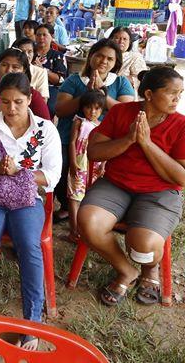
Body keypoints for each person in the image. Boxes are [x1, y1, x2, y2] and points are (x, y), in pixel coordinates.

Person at [0, 73, 62, 345]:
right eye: (5, 102)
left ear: (29, 99)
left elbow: (53, 175)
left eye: (18, 102)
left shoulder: (45, 129)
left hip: (27, 199)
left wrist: (19, 172)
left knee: (29, 245)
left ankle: (32, 324)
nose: (11, 108)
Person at [80, 67, 185, 307]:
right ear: (149, 94)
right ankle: (126, 270)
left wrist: (146, 144)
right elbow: (94, 152)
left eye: (180, 94)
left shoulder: (181, 125)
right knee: (89, 223)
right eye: (172, 93)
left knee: (143, 246)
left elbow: (181, 177)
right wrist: (128, 140)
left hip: (160, 192)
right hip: (115, 185)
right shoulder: (121, 112)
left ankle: (150, 268)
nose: (177, 99)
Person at [54, 39, 135, 221]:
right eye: (99, 55)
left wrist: (102, 93)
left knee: (107, 173)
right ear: (91, 56)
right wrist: (86, 95)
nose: (103, 61)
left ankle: (100, 208)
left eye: (110, 59)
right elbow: (60, 110)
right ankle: (68, 205)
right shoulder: (74, 80)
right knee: (63, 167)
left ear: (116, 63)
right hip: (71, 138)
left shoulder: (120, 82)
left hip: (107, 140)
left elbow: (126, 112)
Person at [67, 90, 106, 242]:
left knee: (90, 197)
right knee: (74, 196)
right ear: (83, 107)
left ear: (102, 109)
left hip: (95, 166)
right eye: (89, 107)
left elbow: (105, 147)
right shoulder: (79, 122)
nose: (92, 112)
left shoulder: (102, 126)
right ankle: (74, 230)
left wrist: (103, 164)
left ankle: (85, 230)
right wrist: (72, 162)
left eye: (97, 108)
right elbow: (72, 142)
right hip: (79, 163)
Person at [34, 23, 69, 116]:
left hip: (50, 87)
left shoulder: (58, 56)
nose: (41, 38)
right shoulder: (30, 54)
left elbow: (60, 80)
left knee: (49, 108)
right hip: (30, 85)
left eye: (44, 35)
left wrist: (42, 70)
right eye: (38, 35)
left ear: (52, 36)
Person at [110, 26, 146, 91]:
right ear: (110, 39)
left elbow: (141, 79)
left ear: (129, 42)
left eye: (125, 39)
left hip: (126, 91)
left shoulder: (135, 57)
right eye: (117, 38)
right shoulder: (105, 55)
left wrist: (115, 79)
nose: (121, 41)